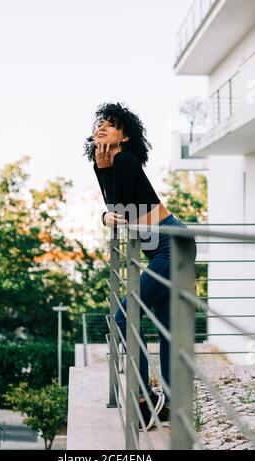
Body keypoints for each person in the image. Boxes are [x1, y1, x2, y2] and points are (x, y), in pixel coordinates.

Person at [83, 102, 197, 431]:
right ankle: (172, 404)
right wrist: (104, 212)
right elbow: (115, 214)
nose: (102, 128)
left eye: (111, 124)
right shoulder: (104, 162)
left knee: (124, 317)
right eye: (99, 124)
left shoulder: (125, 161)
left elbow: (116, 210)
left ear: (126, 137)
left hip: (171, 246)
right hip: (160, 250)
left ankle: (146, 399)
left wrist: (108, 204)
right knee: (165, 327)